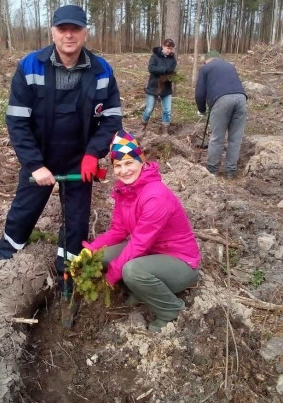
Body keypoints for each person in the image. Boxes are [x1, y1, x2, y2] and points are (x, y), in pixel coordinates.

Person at [0, 5, 122, 326]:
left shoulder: (101, 71)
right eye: (62, 29)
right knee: (24, 211)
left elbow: (112, 118)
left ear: (86, 32)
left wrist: (93, 153)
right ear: (53, 31)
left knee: (77, 220)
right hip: (41, 158)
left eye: (75, 29)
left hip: (79, 160)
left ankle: (67, 271)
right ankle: (4, 256)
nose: (68, 35)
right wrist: (34, 165)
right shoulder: (31, 66)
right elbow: (17, 121)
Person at [82, 130, 200, 333]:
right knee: (102, 255)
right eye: (118, 165)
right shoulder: (125, 191)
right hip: (151, 251)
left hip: (180, 261)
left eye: (129, 163)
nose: (123, 170)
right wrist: (90, 250)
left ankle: (170, 310)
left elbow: (138, 244)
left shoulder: (155, 196)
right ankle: (141, 289)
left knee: (131, 270)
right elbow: (118, 230)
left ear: (142, 161)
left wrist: (112, 276)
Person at [195, 50, 247, 179]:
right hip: (241, 99)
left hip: (221, 100)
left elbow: (200, 93)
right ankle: (230, 172)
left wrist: (202, 109)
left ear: (207, 60)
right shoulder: (229, 65)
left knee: (217, 138)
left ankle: (212, 171)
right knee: (235, 139)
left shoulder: (205, 68)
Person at [142, 38, 177, 135]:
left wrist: (170, 75)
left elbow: (172, 70)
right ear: (163, 46)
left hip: (166, 87)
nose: (169, 50)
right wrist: (164, 70)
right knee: (149, 109)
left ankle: (165, 129)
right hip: (153, 86)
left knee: (167, 110)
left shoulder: (172, 59)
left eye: (171, 49)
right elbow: (151, 68)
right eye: (168, 48)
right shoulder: (155, 56)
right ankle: (142, 126)